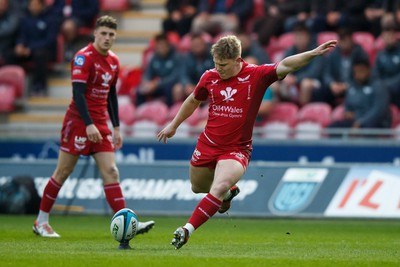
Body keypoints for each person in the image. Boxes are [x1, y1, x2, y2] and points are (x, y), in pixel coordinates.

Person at [157, 35, 336, 249]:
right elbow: (193, 100)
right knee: (198, 187)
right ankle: (226, 195)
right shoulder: (209, 77)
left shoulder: (256, 75)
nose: (218, 69)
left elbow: (287, 64)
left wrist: (313, 53)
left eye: (222, 65)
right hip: (207, 144)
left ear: (237, 60)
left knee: (218, 185)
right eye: (215, 63)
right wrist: (174, 125)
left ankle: (186, 230)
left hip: (236, 150)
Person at [32, 15, 155, 248]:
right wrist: (88, 124)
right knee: (63, 171)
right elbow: (78, 94)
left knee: (111, 171)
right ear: (95, 34)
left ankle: (128, 222)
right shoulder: (83, 57)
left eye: (111, 35)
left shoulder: (114, 61)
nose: (107, 38)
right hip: (79, 122)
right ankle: (41, 221)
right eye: (104, 33)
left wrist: (116, 127)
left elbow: (111, 95)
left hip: (101, 124)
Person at [328, 56, 391, 133]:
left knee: (366, 130)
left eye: (361, 71)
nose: (358, 74)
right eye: (356, 71)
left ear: (368, 70)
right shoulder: (352, 86)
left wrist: (361, 122)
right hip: (354, 121)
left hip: (375, 123)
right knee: (333, 128)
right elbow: (347, 106)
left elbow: (379, 111)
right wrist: (347, 113)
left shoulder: (379, 86)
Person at [13, 0, 58, 96]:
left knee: (40, 55)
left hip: (45, 51)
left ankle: (39, 86)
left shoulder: (50, 19)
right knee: (10, 55)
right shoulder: (24, 19)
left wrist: (30, 49)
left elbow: (50, 40)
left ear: (42, 6)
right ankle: (11, 86)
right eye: (31, 5)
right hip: (27, 50)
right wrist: (19, 45)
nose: (33, 7)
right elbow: (21, 36)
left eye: (36, 5)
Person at [136, 33, 182, 107]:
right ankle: (141, 112)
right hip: (157, 85)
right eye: (159, 46)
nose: (161, 48)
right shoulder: (154, 58)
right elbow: (148, 73)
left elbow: (175, 77)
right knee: (140, 90)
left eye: (163, 45)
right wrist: (146, 82)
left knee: (169, 89)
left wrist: (158, 83)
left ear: (168, 45)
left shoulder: (176, 57)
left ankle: (169, 113)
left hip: (170, 85)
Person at [0, 0, 19, 66]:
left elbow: (9, 29)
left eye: (2, 4)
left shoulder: (12, 15)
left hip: (7, 46)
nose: (1, 6)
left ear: (7, 5)